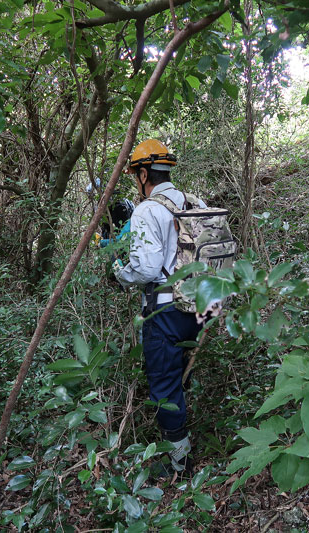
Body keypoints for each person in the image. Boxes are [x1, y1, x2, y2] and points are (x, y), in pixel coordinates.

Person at [114, 139, 205, 478]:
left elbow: (148, 268)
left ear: (142, 174)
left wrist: (119, 274)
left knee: (164, 387)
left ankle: (179, 466)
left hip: (165, 314)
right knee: (182, 376)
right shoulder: (195, 201)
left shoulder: (147, 210)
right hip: (199, 308)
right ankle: (187, 435)